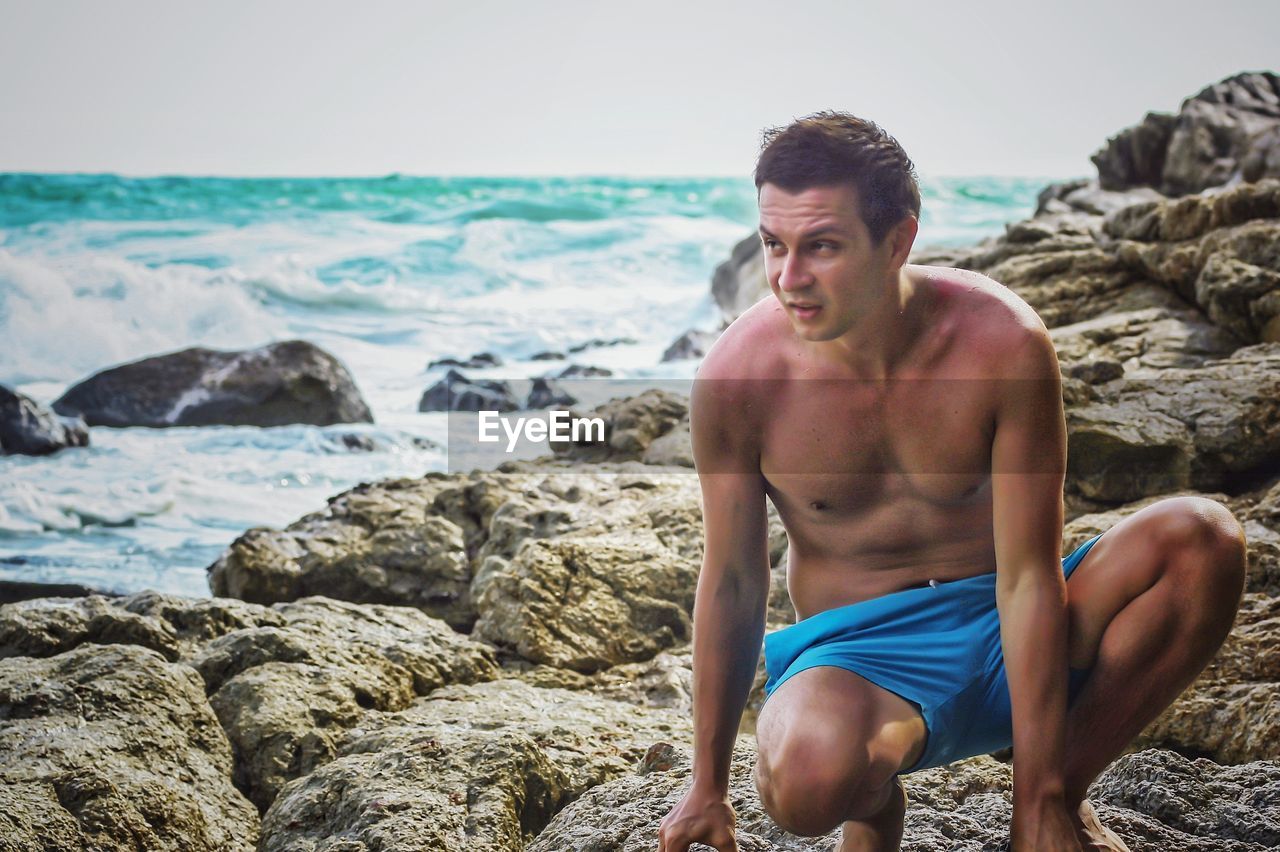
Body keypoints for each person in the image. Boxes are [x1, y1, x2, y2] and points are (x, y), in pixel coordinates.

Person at [656, 112, 1247, 852]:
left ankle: (1059, 787)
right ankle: (875, 807)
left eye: (822, 247)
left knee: (1203, 540)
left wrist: (1041, 800)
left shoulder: (1001, 341)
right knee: (800, 779)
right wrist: (706, 784)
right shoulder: (738, 378)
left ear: (898, 240)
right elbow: (735, 582)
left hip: (1015, 625)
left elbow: (1033, 575)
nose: (787, 277)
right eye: (774, 244)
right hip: (863, 658)